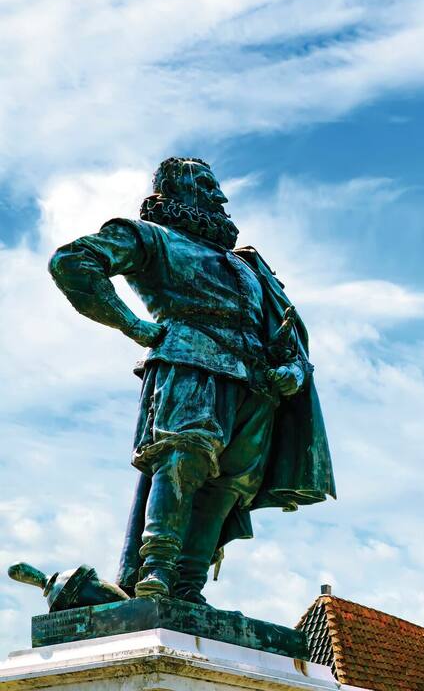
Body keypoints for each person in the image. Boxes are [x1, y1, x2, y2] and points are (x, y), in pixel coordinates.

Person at [48, 157, 335, 604]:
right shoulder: (152, 239)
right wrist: (134, 325)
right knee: (182, 459)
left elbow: (287, 336)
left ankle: (189, 587)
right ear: (175, 189)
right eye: (204, 184)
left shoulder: (248, 266)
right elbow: (73, 261)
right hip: (190, 363)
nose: (219, 197)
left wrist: (293, 372)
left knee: (231, 485)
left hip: (256, 385)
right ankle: (155, 572)